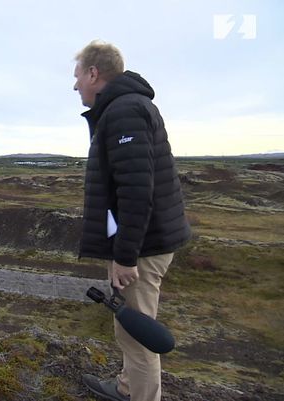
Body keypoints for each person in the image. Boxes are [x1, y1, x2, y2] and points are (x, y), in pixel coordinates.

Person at [72, 40, 190, 401]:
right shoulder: (125, 107)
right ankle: (127, 388)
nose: (75, 85)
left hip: (142, 247)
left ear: (94, 73)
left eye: (77, 76)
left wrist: (124, 255)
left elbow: (137, 191)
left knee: (138, 336)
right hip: (142, 242)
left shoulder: (124, 111)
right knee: (131, 326)